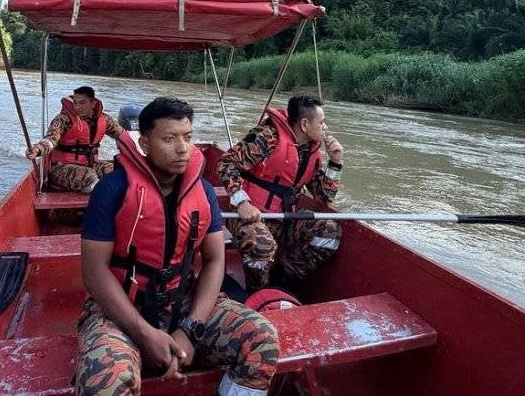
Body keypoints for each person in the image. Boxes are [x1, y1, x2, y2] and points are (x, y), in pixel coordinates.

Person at [75, 97, 280, 396]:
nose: (183, 148)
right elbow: (93, 272)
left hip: (181, 298)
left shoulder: (203, 191)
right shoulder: (112, 189)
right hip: (121, 305)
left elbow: (213, 261)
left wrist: (190, 329)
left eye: (188, 137)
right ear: (145, 143)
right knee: (105, 383)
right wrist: (145, 334)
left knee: (262, 339)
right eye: (169, 139)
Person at [219, 94, 344, 293]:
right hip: (248, 216)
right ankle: (257, 289)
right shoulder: (266, 137)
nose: (325, 127)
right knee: (262, 245)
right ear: (304, 124)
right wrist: (242, 202)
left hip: (284, 219)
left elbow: (324, 197)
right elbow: (226, 164)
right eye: (321, 122)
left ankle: (284, 278)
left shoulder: (311, 152)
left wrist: (335, 162)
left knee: (330, 232)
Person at [26, 86, 125, 192]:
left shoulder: (104, 119)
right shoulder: (63, 119)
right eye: (75, 103)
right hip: (61, 168)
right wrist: (38, 149)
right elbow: (51, 139)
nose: (77, 107)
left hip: (91, 164)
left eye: (82, 103)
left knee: (120, 171)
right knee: (89, 177)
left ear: (92, 103)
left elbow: (123, 136)